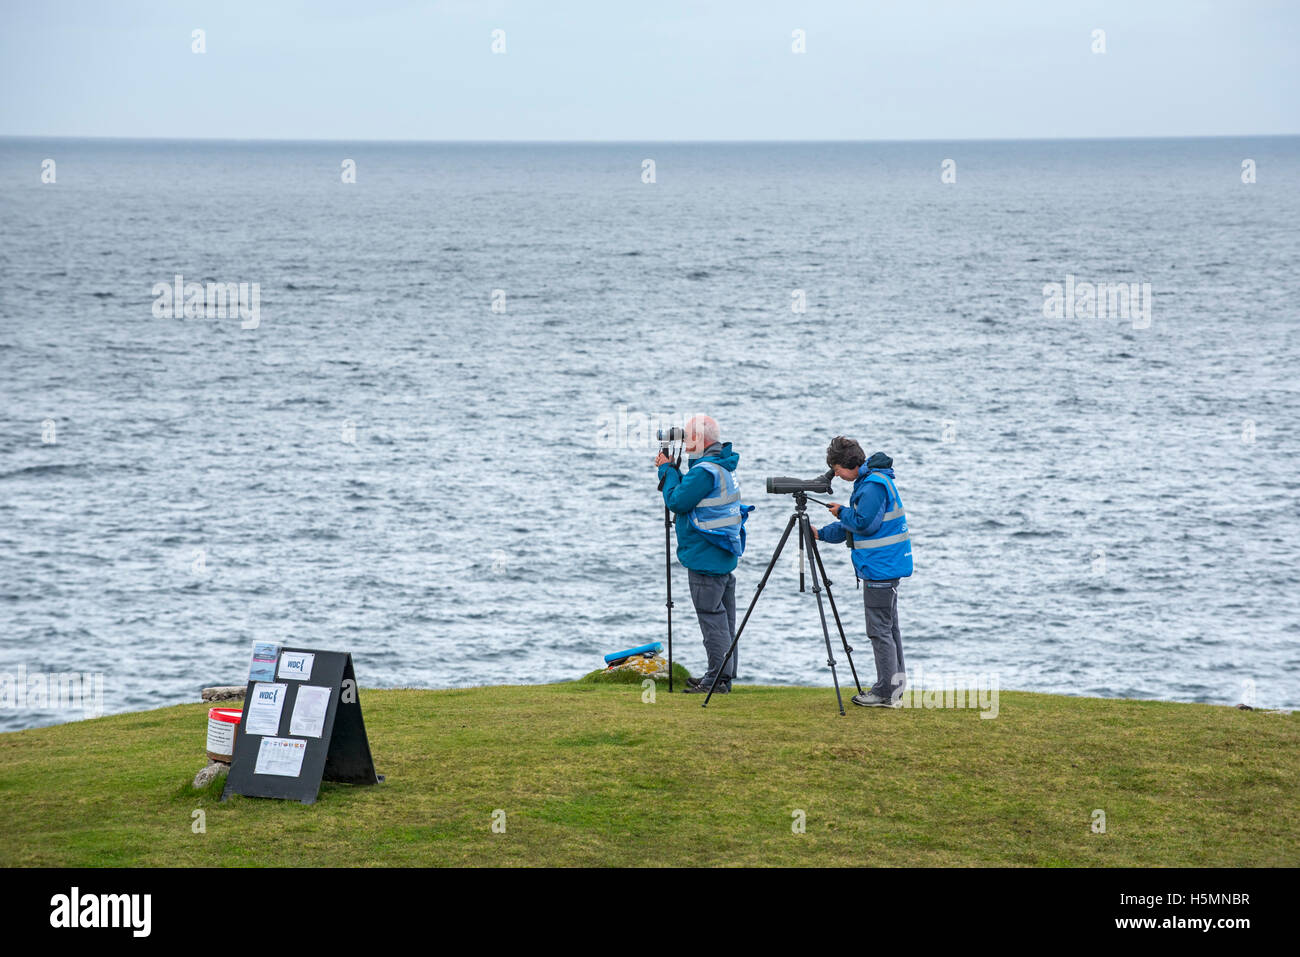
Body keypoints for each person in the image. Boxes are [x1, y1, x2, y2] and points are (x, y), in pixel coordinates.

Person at [813, 437, 913, 707]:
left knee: (880, 630)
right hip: (885, 566)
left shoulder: (871, 487)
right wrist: (821, 534)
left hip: (881, 568)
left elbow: (863, 524)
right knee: (889, 629)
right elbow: (856, 527)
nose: (836, 475)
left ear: (847, 465)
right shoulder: (873, 482)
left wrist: (841, 512)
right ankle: (893, 688)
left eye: (836, 470)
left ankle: (885, 693)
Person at [654, 415, 749, 694]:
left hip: (705, 556)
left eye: (688, 437)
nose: (685, 442)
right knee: (725, 618)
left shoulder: (704, 470)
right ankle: (723, 674)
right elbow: (692, 493)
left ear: (699, 439)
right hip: (721, 552)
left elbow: (677, 501)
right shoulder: (721, 465)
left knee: (712, 618)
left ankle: (717, 679)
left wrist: (667, 472)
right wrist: (676, 472)